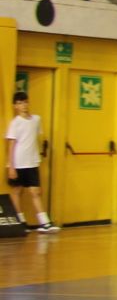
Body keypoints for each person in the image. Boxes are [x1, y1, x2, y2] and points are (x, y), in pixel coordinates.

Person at [6, 93, 55, 232]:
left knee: (35, 192)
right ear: (15, 106)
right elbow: (11, 145)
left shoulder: (36, 119)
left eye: (26, 102)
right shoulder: (14, 123)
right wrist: (11, 167)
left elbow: (35, 139)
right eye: (20, 103)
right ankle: (20, 222)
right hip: (18, 163)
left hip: (32, 162)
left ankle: (45, 223)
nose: (24, 105)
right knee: (17, 191)